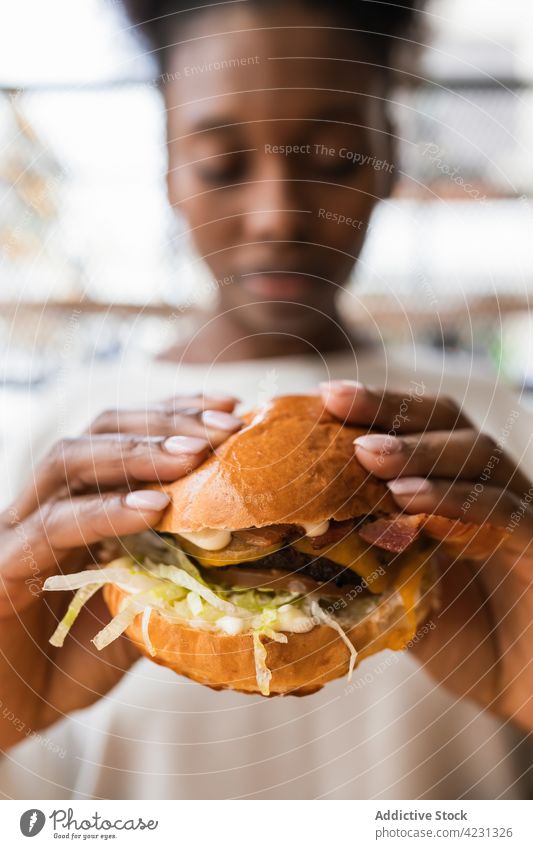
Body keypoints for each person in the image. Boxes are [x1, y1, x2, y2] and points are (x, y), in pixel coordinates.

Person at [0, 0, 531, 800]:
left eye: (335, 156)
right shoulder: (54, 449)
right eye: (220, 163)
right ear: (169, 171)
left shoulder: (492, 440)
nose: (279, 216)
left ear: (390, 160)